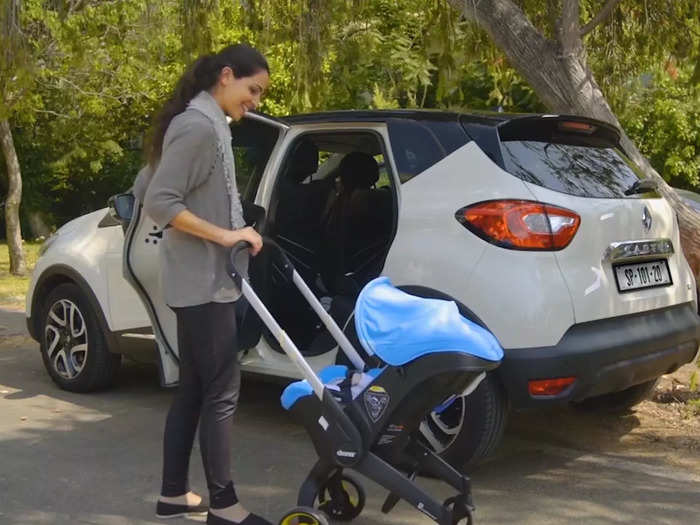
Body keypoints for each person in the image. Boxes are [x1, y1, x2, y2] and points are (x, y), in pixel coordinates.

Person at [132, 43, 272, 525]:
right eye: (252, 90)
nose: (254, 101)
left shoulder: (201, 124)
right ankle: (225, 504)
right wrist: (228, 233)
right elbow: (160, 201)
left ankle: (174, 494)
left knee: (194, 387)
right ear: (226, 76)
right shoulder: (197, 127)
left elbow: (143, 186)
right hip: (206, 284)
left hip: (201, 281)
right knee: (221, 390)